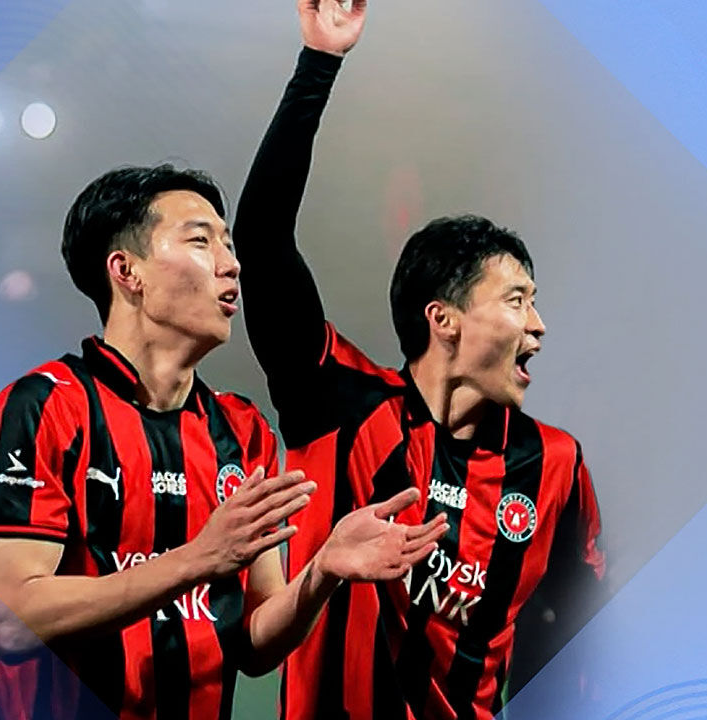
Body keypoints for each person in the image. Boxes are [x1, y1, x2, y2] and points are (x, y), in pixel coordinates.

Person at [0, 164, 449, 720]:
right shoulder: (44, 408)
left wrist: (322, 572)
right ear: (126, 271)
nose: (231, 264)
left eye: (229, 244)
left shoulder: (242, 432)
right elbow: (11, 619)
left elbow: (253, 644)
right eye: (201, 241)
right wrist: (198, 559)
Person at [232, 2, 607, 718]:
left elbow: (576, 633)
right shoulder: (340, 402)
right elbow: (263, 239)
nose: (539, 325)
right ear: (444, 319)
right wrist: (318, 63)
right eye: (517, 300)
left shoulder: (556, 465)